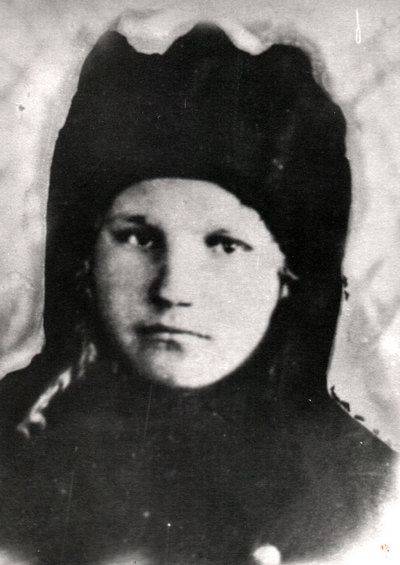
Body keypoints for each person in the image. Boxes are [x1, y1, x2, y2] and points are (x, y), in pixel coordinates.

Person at [0, 26, 395, 565]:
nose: (173, 291)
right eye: (138, 238)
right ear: (85, 257)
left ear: (291, 276)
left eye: (226, 245)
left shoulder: (363, 492)